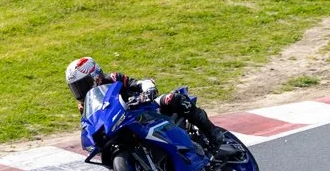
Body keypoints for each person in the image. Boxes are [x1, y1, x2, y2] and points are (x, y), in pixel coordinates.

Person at [65, 55, 224, 153]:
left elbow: (142, 83)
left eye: (82, 85)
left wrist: (147, 92)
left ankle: (212, 132)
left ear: (95, 76)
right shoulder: (85, 106)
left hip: (145, 109)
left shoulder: (113, 78)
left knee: (174, 99)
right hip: (122, 126)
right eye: (75, 88)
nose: (80, 91)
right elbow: (91, 124)